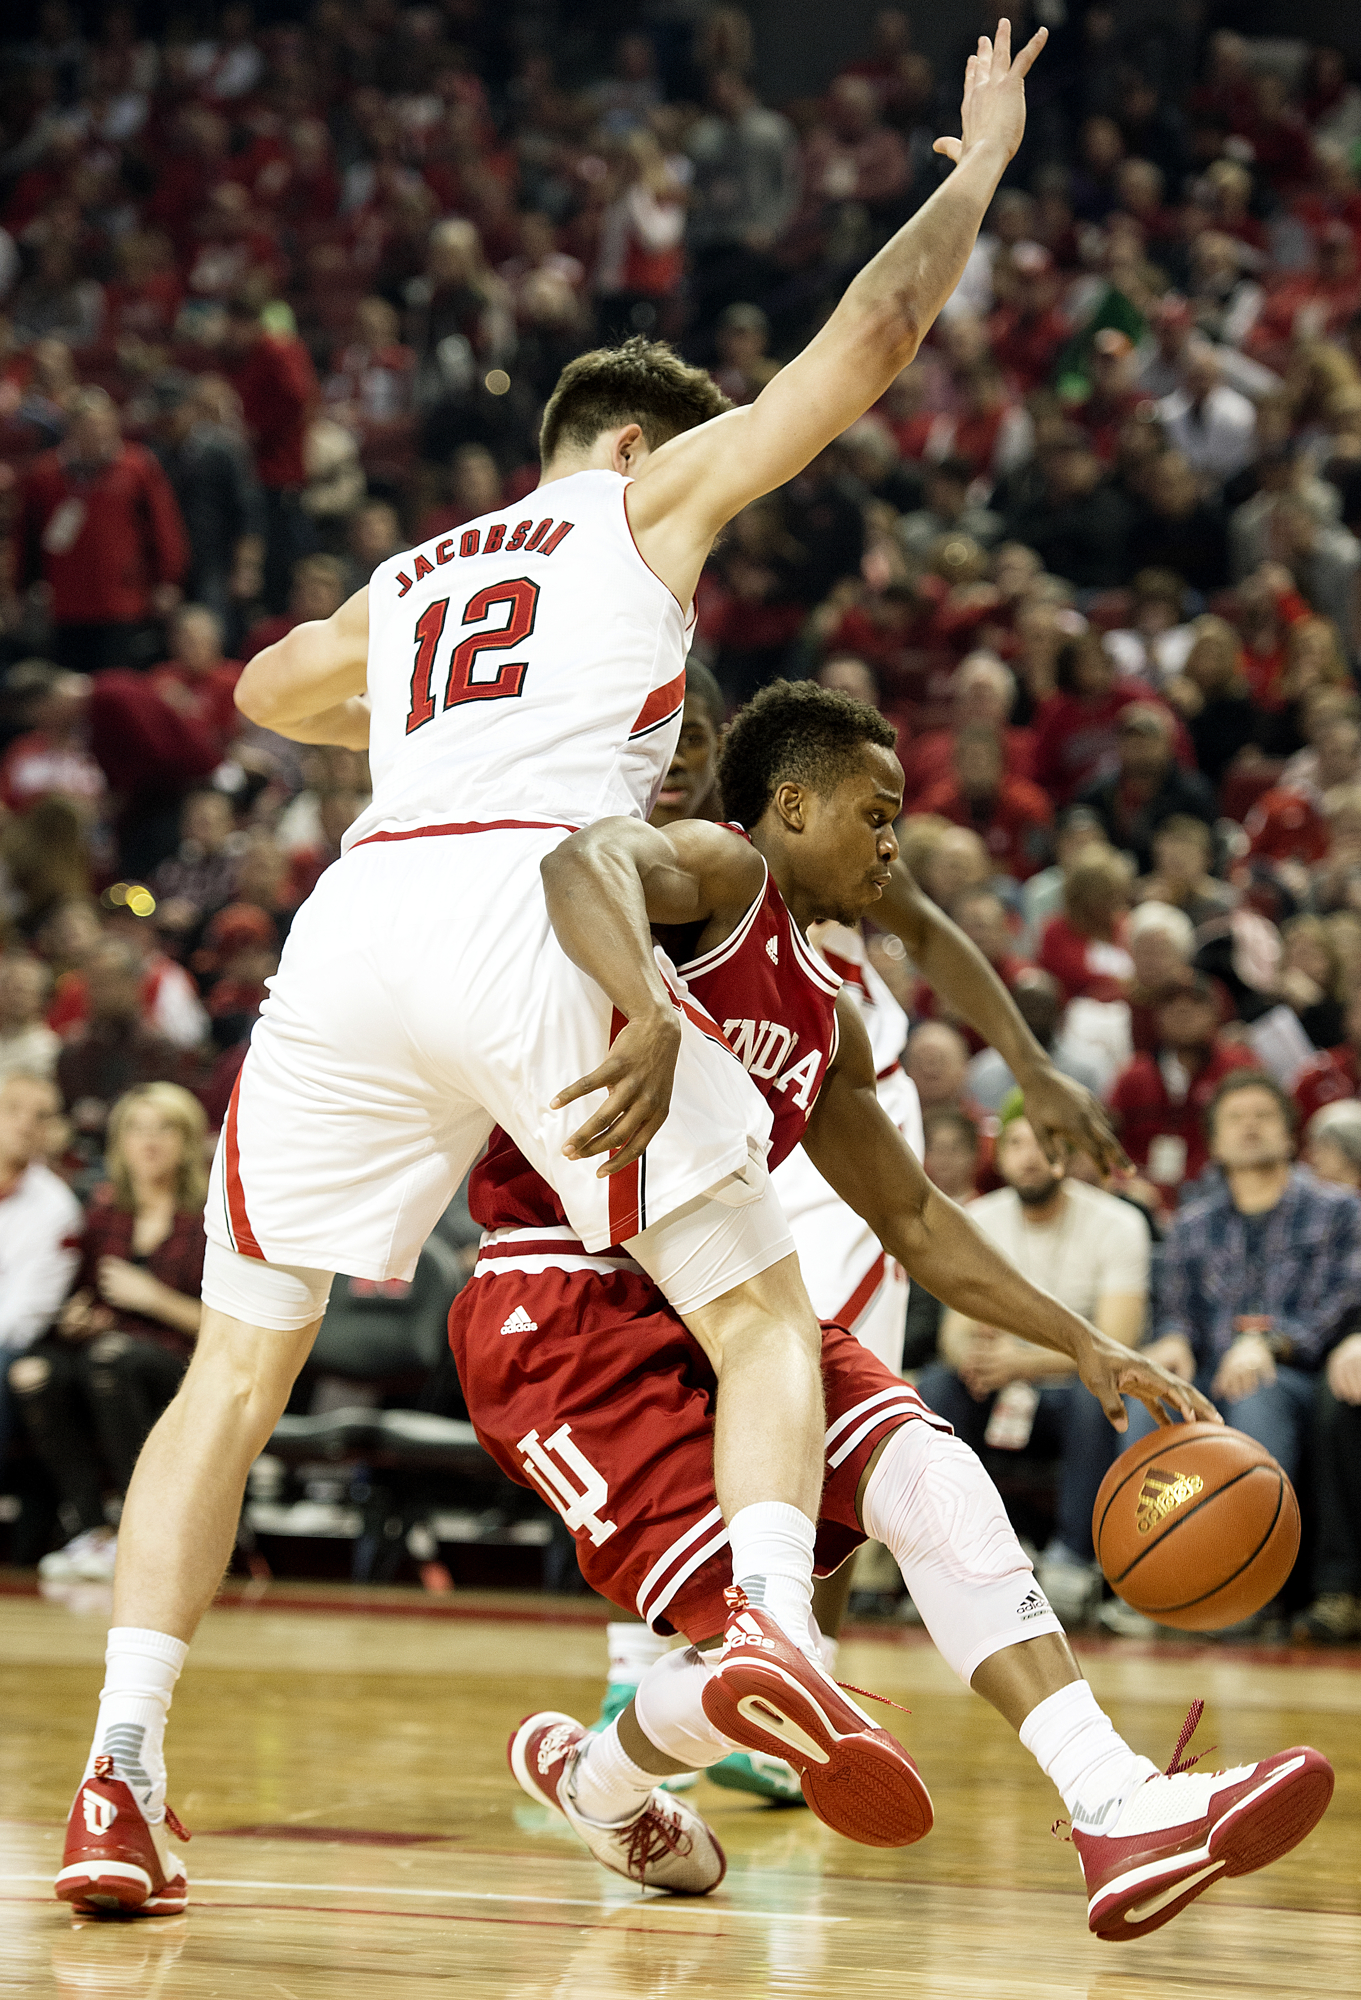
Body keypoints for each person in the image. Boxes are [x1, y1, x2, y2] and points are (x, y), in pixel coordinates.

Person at [60, 26, 1136, 1922]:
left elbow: (255, 692)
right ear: (634, 445)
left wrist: (421, 711)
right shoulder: (635, 503)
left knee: (232, 1377)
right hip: (528, 901)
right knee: (759, 1314)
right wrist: (973, 168)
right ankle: (777, 1634)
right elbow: (870, 345)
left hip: (356, 919)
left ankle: (119, 1780)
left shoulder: (414, 578)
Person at [458, 683, 1322, 1931]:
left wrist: (1081, 1341)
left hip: (730, 1293)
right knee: (753, 1644)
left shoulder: (828, 1017)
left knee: (926, 1471)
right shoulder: (720, 870)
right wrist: (648, 1011)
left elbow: (916, 1219)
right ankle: (598, 1781)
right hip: (568, 1300)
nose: (889, 844)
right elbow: (582, 858)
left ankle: (1114, 1801)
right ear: (790, 806)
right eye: (874, 813)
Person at [917, 1109, 1151, 1625]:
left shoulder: (1119, 1222)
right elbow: (953, 1332)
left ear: (1066, 1155)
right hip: (997, 1380)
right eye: (1016, 1143)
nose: (1030, 1156)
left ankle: (1072, 1559)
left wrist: (1018, 1362)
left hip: (1071, 1383)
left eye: (1044, 1142)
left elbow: (1116, 1344)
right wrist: (974, 1360)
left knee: (1104, 1398)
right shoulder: (976, 1219)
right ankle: (954, 1556)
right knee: (935, 1387)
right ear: (998, 1157)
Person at [1129, 1076, 1361, 1565]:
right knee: (1150, 1393)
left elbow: (1344, 1300)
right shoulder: (1192, 1223)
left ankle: (1250, 1574)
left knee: (1255, 1390)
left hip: (1297, 1374)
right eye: (1236, 1117)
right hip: (1211, 1370)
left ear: (1290, 1136)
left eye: (1263, 1115)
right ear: (1213, 1142)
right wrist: (1172, 1339)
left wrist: (1270, 1343)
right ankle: (1152, 1567)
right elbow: (1175, 1308)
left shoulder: (1339, 1211)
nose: (1250, 1126)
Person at [11, 1085, 207, 1585]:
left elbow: (226, 1326)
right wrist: (78, 1319)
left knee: (111, 1362)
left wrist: (154, 1298)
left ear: (186, 1142)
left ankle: (138, 1526)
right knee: (34, 1372)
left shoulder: (206, 1222)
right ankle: (90, 1527)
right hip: (105, 1353)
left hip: (178, 1361)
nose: (149, 1142)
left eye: (164, 1129)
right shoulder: (103, 1217)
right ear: (119, 1143)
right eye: (136, 1129)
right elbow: (79, 1303)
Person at [18, 388, 188, 675]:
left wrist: (168, 580)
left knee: (117, 685)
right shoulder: (44, 474)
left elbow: (164, 528)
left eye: (104, 426)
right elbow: (27, 537)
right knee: (71, 685)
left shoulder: (137, 466)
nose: (98, 434)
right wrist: (23, 588)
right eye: (88, 427)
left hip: (123, 602)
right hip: (66, 604)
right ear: (71, 430)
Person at [1108, 976, 1258, 1201]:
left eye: (1195, 1003)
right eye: (1171, 1005)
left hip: (1222, 1193)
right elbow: (1107, 1141)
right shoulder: (1133, 1076)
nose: (1183, 1011)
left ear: (1216, 1014)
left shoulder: (1240, 1069)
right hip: (1142, 1197)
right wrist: (1124, 1182)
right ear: (1157, 1017)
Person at [0, 1072, 81, 1465]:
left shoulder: (57, 1208)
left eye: (40, 1116)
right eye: (12, 1109)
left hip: (8, 1344)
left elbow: (24, 1315)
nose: (24, 1123)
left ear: (52, 1131)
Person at [1078, 704, 1216, 876]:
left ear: (1168, 745)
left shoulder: (1192, 795)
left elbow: (1206, 853)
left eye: (1148, 744)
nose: (1139, 752)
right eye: (1132, 743)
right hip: (1110, 887)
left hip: (1176, 884)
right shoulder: (1097, 793)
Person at [650, 662, 725, 826]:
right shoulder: (585, 831)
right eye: (652, 739)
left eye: (691, 739)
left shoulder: (759, 840)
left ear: (721, 746)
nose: (672, 763)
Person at [0, 952, 59, 1083]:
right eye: (8, 988)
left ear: (42, 998)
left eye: (22, 990)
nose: (14, 997)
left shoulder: (48, 1049)